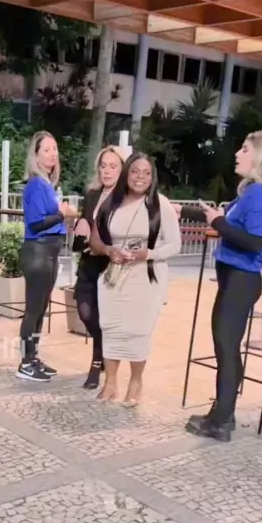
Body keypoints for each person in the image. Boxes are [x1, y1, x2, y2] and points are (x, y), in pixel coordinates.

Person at [179, 131, 262, 442]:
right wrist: (180, 211)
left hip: (241, 280)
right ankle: (223, 412)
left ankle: (220, 421)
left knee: (227, 348)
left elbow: (254, 241)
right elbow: (220, 219)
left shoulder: (261, 194)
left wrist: (218, 223)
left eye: (244, 149)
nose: (237, 153)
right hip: (234, 279)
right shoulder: (250, 192)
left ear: (260, 157)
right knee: (226, 348)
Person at [89, 153, 181, 405]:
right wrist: (109, 250)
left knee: (138, 331)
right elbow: (94, 239)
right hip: (114, 276)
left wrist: (148, 254)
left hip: (146, 277)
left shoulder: (160, 205)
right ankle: (110, 383)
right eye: (135, 171)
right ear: (126, 173)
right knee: (111, 328)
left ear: (153, 177)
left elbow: (175, 245)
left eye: (146, 172)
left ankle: (136, 382)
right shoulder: (111, 202)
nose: (140, 177)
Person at [17, 131, 77, 382]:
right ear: (36, 155)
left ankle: (33, 357)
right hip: (38, 252)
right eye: (46, 150)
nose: (53, 154)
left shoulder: (47, 185)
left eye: (55, 149)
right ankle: (25, 362)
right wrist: (62, 214)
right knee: (33, 310)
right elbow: (36, 223)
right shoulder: (36, 185)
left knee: (41, 309)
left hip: (49, 252)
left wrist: (63, 215)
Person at [72, 146, 125, 389]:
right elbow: (79, 238)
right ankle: (104, 351)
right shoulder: (92, 194)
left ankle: (96, 365)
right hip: (87, 266)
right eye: (103, 166)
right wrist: (79, 228)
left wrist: (101, 246)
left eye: (113, 166)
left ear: (122, 170)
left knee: (102, 318)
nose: (107, 171)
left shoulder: (125, 200)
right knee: (85, 313)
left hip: (109, 269)